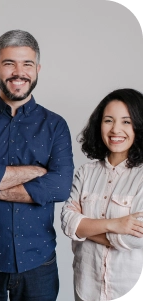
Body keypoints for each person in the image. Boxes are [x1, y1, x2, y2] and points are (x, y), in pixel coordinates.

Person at [0, 29, 74, 301]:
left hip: (38, 262)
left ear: (38, 69)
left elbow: (59, 186)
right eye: (9, 63)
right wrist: (37, 171)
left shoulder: (56, 125)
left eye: (27, 64)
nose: (18, 72)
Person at [61, 88, 143, 301]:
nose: (116, 129)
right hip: (86, 289)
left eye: (126, 121)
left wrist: (84, 228)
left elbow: (136, 238)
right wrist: (114, 224)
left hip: (130, 290)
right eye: (109, 120)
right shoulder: (85, 172)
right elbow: (67, 221)